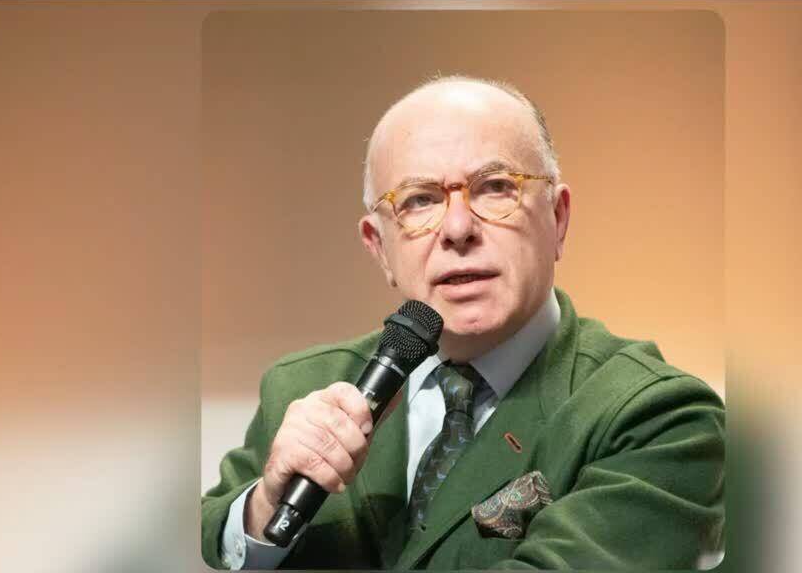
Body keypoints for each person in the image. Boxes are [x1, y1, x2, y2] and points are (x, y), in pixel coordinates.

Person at [201, 75, 725, 570]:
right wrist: (262, 510)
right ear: (379, 247)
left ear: (558, 219)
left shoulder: (659, 418)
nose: (457, 228)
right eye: (420, 200)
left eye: (495, 187)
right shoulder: (301, 386)